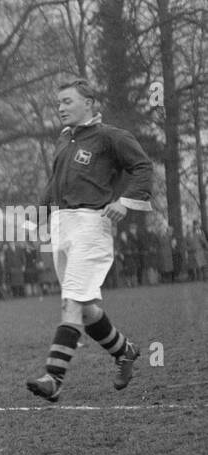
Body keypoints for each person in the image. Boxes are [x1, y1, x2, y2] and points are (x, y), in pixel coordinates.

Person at [26, 78, 150, 402]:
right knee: (86, 309)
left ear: (90, 103)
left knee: (71, 303)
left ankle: (54, 378)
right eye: (59, 103)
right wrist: (35, 218)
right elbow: (53, 185)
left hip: (92, 226)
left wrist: (125, 202)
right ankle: (125, 351)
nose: (61, 108)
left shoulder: (110, 137)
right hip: (62, 227)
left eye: (67, 101)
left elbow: (142, 167)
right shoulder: (63, 140)